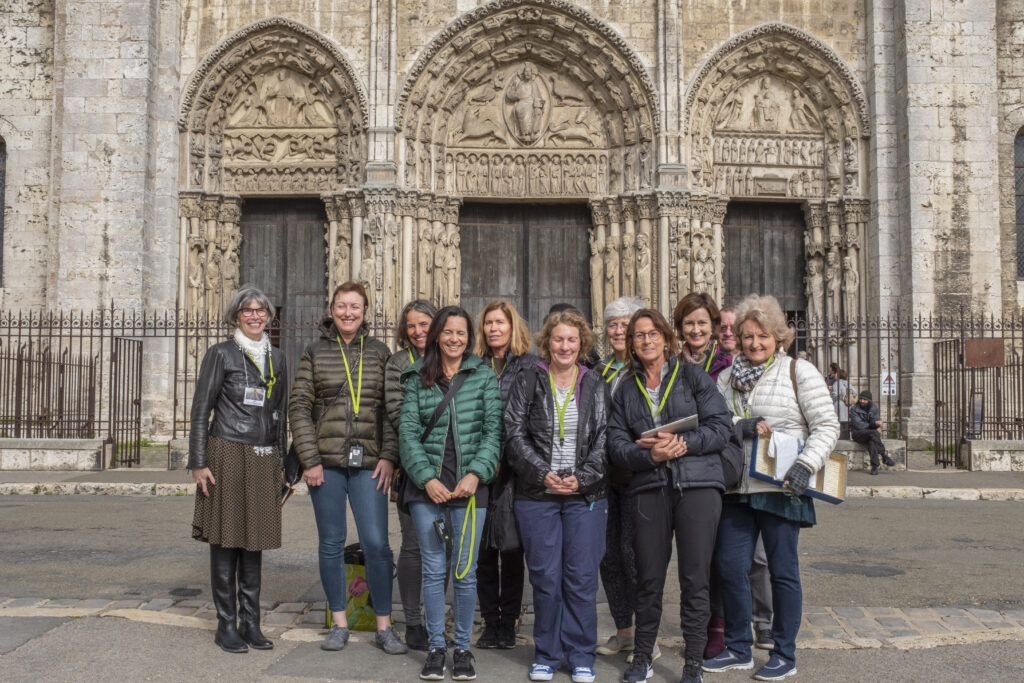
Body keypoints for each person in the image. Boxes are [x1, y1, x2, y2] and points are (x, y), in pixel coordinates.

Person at [706, 295, 839, 681]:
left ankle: (784, 653)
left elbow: (827, 426)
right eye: (747, 336)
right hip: (737, 488)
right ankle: (738, 648)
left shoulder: (799, 371)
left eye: (762, 336)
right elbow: (714, 423)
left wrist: (805, 465)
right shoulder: (726, 378)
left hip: (782, 486)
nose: (754, 343)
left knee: (783, 572)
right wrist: (738, 425)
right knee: (731, 567)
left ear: (778, 337)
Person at [608, 309, 735, 683]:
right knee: (648, 577)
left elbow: (721, 427)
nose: (646, 341)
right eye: (638, 336)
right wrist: (649, 455)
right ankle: (643, 655)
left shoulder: (692, 377)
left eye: (652, 334)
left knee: (695, 578)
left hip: (697, 486)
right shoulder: (625, 388)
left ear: (666, 338)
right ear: (631, 344)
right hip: (649, 487)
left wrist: (683, 444)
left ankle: (693, 661)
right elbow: (615, 445)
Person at [288, 281, 406, 655]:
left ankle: (384, 625)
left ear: (365, 310)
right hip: (327, 465)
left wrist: (389, 456)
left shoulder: (380, 352)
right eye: (341, 306)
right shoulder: (314, 351)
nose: (347, 313)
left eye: (354, 307)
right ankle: (339, 622)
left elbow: (389, 410)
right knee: (331, 542)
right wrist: (310, 460)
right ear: (332, 308)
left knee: (376, 544)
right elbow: (299, 408)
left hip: (370, 463)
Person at [399, 306, 503, 681]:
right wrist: (426, 478)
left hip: (470, 491)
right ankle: (435, 647)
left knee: (465, 572)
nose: (454, 339)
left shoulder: (483, 376)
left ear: (468, 337)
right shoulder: (416, 378)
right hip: (428, 489)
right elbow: (407, 433)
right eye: (448, 332)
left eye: (461, 333)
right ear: (437, 336)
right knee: (433, 569)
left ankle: (462, 648)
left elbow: (494, 432)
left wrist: (476, 474)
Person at [505, 309, 608, 683]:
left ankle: (581, 654)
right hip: (538, 495)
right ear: (546, 342)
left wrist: (581, 479)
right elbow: (513, 431)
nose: (565, 346)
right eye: (558, 339)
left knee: (580, 577)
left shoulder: (596, 383)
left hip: (585, 497)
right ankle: (547, 653)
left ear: (582, 344)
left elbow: (604, 438)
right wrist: (541, 472)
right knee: (546, 578)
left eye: (572, 340)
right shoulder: (529, 379)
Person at [189, 285, 287, 653]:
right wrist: (199, 462)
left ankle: (252, 623)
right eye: (247, 310)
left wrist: (281, 458)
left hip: (262, 457)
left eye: (261, 310)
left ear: (268, 316)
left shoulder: (277, 358)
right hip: (226, 451)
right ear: (236, 315)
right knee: (226, 539)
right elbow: (201, 409)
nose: (255, 316)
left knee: (254, 541)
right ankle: (226, 624)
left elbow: (280, 414)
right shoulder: (221, 354)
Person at [594, 297, 655, 662]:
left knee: (638, 556)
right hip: (604, 476)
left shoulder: (648, 369)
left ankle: (648, 637)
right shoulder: (598, 370)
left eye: (625, 324)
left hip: (638, 474)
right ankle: (625, 632)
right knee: (610, 556)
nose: (618, 330)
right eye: (613, 324)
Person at [474, 300, 536, 650]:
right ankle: (489, 621)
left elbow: (530, 418)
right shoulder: (475, 365)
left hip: (514, 471)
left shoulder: (530, 366)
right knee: (483, 551)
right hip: (481, 471)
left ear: (513, 327)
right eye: (489, 323)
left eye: (500, 322)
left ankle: (509, 622)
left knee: (511, 550)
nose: (494, 328)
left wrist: (510, 457)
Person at [384, 299, 438, 651]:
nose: (419, 331)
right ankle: (414, 622)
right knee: (415, 545)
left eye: (425, 324)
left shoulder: (455, 355)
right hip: (413, 465)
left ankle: (435, 619)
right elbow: (396, 411)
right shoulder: (398, 364)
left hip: (451, 467)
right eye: (412, 326)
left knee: (442, 547)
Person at [674, 292, 733, 382]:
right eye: (689, 323)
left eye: (702, 323)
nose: (696, 330)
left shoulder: (728, 365)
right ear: (681, 327)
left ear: (713, 326)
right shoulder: (673, 367)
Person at [849, 390, 895, 475]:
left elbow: (876, 420)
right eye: (861, 399)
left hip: (870, 434)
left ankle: (874, 467)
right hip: (858, 434)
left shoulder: (874, 408)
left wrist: (876, 425)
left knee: (872, 441)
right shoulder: (854, 409)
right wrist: (874, 425)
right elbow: (859, 425)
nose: (862, 401)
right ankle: (884, 455)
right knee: (873, 433)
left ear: (869, 401)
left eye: (864, 400)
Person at [830, 368, 852, 439]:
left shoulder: (836, 383)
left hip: (839, 406)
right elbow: (854, 393)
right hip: (847, 406)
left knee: (840, 426)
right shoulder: (847, 383)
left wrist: (841, 396)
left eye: (836, 374)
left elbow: (834, 395)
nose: (834, 375)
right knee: (846, 426)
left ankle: (841, 442)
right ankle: (847, 440)